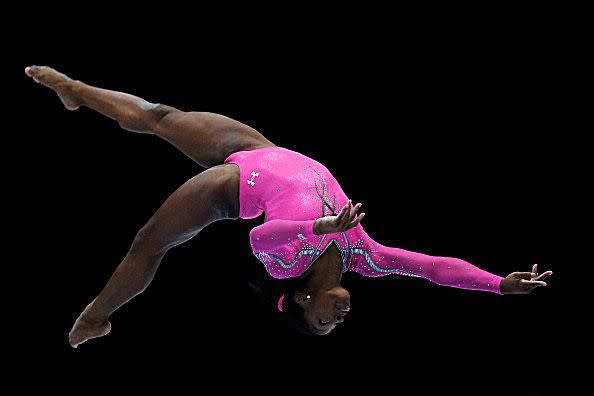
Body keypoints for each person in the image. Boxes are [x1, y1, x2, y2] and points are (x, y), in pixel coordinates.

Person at [25, 65, 553, 345]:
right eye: (335, 325)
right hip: (264, 150)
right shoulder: (365, 256)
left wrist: (321, 225)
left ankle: (94, 317)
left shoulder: (287, 265)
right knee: (160, 115)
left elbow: (262, 236)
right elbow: (434, 269)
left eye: (324, 324)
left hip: (229, 188)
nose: (338, 319)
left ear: (304, 302)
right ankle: (74, 89)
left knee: (150, 243)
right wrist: (498, 284)